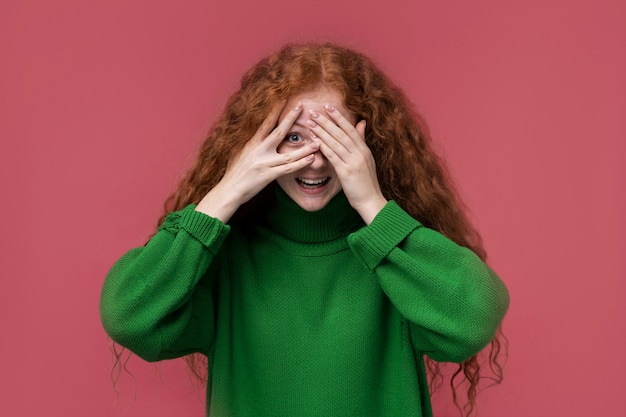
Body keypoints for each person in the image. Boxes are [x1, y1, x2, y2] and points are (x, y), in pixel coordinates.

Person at [100, 42, 509, 417]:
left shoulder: (397, 256)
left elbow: (473, 320)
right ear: (253, 144)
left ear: (370, 144)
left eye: (336, 138)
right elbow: (130, 317)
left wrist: (373, 206)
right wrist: (226, 192)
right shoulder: (226, 257)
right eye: (293, 137)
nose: (314, 161)